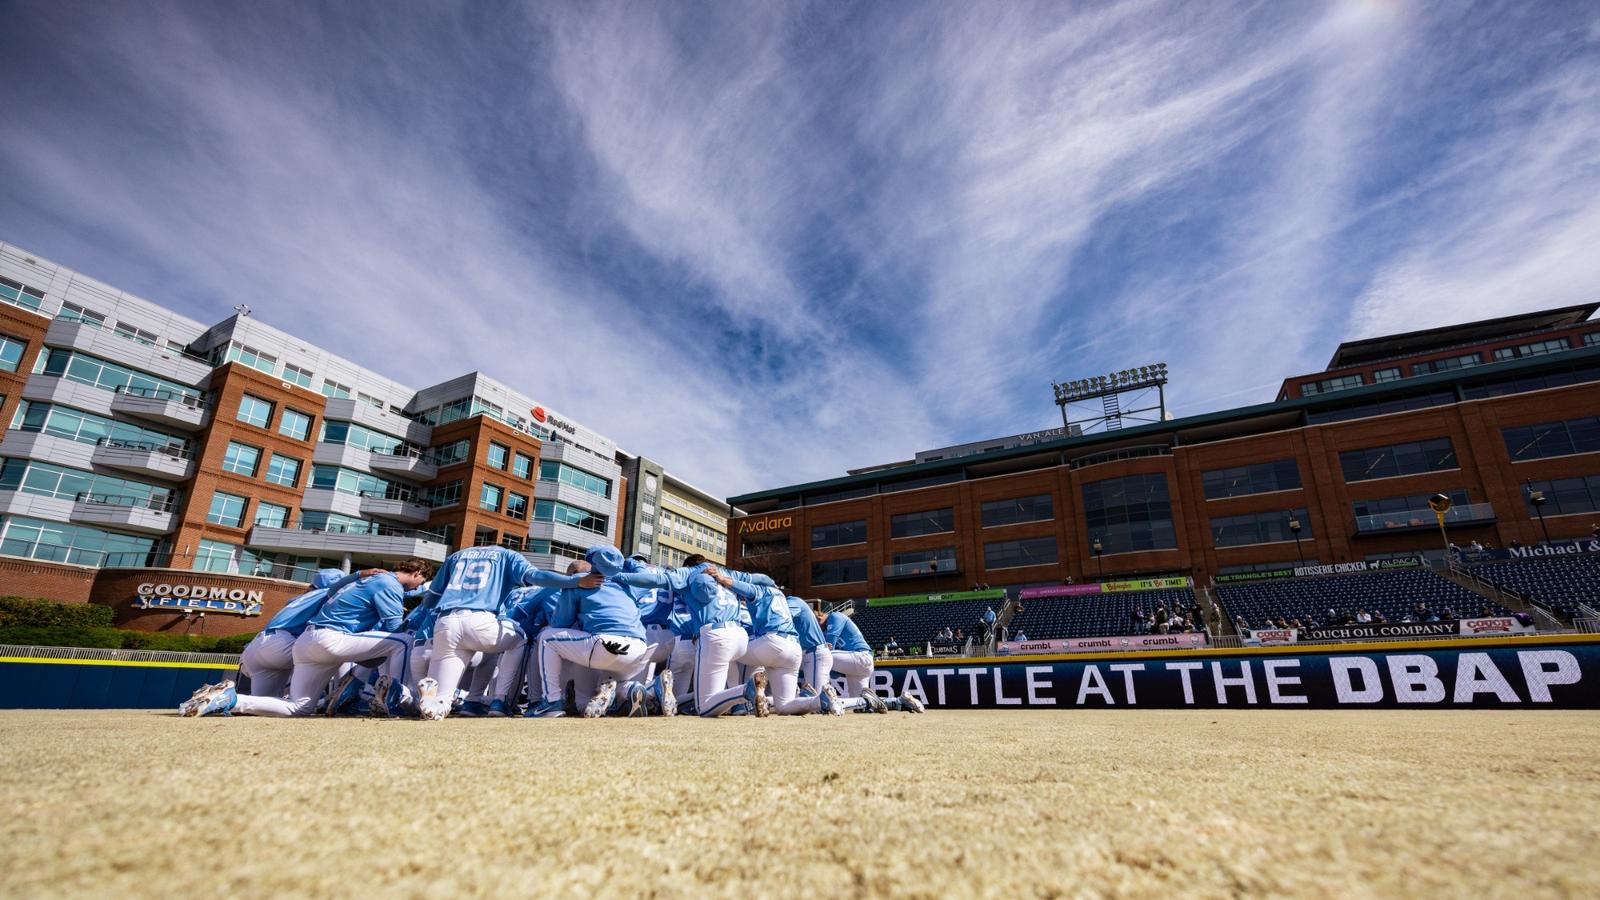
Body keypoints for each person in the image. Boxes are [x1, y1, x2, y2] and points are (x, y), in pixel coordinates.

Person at [183, 560, 434, 718]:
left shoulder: (346, 586)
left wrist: (358, 575)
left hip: (293, 643)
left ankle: (232, 699)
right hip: (317, 640)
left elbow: (336, 590)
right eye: (418, 583)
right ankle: (396, 698)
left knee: (297, 706)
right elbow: (392, 627)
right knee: (402, 641)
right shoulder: (389, 584)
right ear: (416, 573)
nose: (413, 589)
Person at [416, 546, 602, 721]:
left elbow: (430, 600)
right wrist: (576, 581)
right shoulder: (506, 555)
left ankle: (448, 702)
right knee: (519, 639)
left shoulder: (456, 556)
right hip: (482, 619)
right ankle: (500, 700)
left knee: (444, 695)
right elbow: (535, 576)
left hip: (446, 621)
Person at [233, 567, 349, 700]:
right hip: (280, 645)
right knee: (335, 649)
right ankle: (337, 696)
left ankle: (225, 698)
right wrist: (359, 575)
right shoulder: (325, 595)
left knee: (262, 703)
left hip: (254, 649)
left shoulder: (298, 599)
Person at [822, 608, 874, 698]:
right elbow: (835, 675)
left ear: (821, 615)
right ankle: (894, 701)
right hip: (857, 665)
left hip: (861, 657)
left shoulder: (835, 616)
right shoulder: (823, 631)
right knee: (861, 702)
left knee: (819, 655)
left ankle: (823, 698)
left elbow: (829, 644)